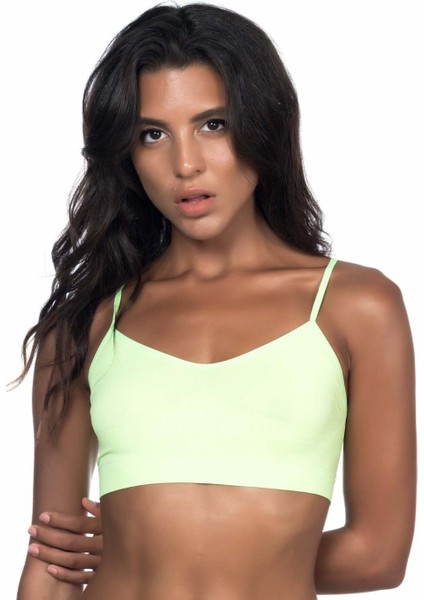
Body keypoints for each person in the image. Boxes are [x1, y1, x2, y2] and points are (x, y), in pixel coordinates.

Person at [16, 2, 416, 599]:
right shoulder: (85, 324)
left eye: (214, 125)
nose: (185, 164)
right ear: (126, 153)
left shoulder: (357, 308)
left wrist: (197, 565)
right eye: (152, 134)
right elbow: (52, 564)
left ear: (263, 126)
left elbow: (377, 556)